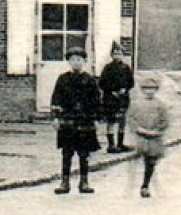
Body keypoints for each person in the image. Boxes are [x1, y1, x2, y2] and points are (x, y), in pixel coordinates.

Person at [49, 47, 102, 194]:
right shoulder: (62, 79)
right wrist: (55, 117)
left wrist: (97, 119)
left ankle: (84, 182)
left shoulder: (90, 80)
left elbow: (96, 101)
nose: (76, 62)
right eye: (73, 60)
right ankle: (64, 182)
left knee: (84, 154)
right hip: (68, 121)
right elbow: (56, 99)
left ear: (84, 61)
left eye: (79, 59)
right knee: (67, 153)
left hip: (85, 121)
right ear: (68, 62)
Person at [130, 73, 171, 197]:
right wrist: (139, 129)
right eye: (146, 88)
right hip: (141, 136)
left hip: (155, 137)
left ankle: (145, 185)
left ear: (156, 90)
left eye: (152, 88)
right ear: (142, 90)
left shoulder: (160, 105)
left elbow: (164, 121)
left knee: (151, 161)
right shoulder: (136, 104)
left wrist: (156, 130)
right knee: (139, 159)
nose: (149, 91)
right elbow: (131, 119)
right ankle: (132, 184)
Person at [98, 43, 135, 154]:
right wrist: (111, 91)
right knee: (111, 121)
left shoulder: (126, 68)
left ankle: (120, 144)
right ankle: (111, 145)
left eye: (119, 53)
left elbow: (131, 82)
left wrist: (125, 89)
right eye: (115, 53)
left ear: (123, 55)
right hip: (110, 99)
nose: (117, 55)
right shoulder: (107, 68)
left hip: (123, 98)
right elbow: (102, 83)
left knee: (122, 121)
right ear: (112, 55)